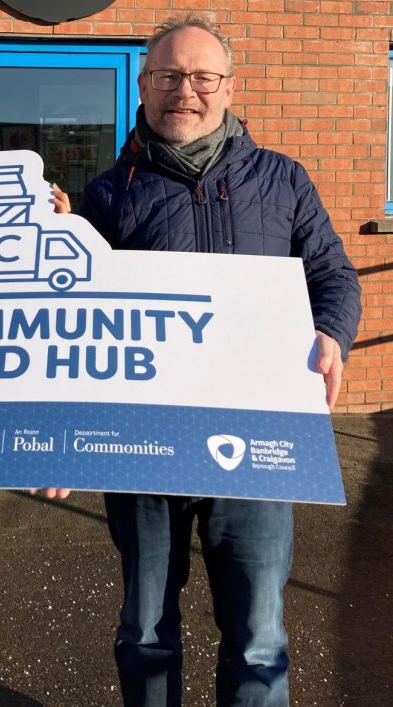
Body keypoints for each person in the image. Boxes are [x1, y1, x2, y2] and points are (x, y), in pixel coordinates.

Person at [74, 14, 362, 707]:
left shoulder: (284, 181)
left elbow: (334, 276)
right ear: (143, 86)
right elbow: (75, 318)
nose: (186, 90)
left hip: (258, 441)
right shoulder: (106, 195)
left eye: (203, 77)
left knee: (258, 634)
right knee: (145, 630)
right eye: (170, 75)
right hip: (141, 447)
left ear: (230, 89)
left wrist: (330, 332)